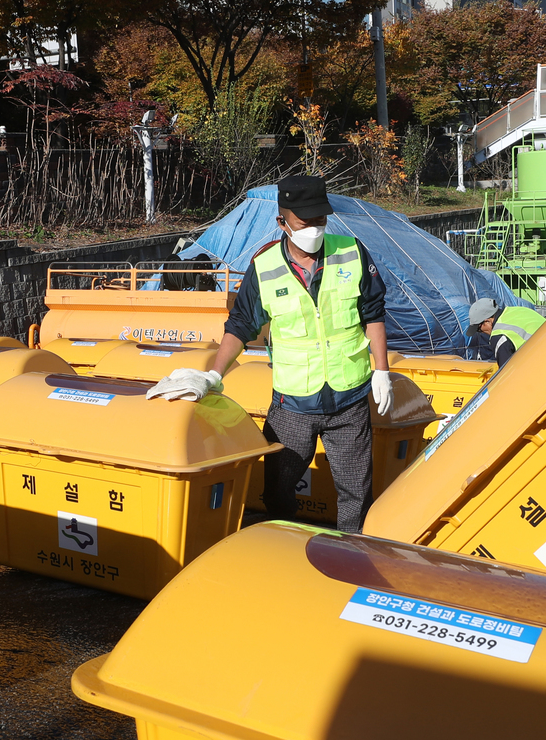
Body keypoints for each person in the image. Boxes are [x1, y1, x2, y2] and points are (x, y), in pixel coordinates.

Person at [146, 175, 391, 534]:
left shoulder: (351, 252)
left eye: (320, 220)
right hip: (292, 404)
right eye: (304, 222)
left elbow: (373, 312)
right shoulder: (264, 268)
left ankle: (350, 558)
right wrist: (214, 374)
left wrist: (381, 370)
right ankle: (283, 551)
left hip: (349, 400)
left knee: (356, 494)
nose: (314, 228)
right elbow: (241, 324)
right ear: (283, 222)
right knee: (277, 489)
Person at [465, 299, 545, 368]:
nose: (482, 333)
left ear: (487, 321)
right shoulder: (520, 310)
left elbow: (507, 375)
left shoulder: (499, 336)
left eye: (479, 329)